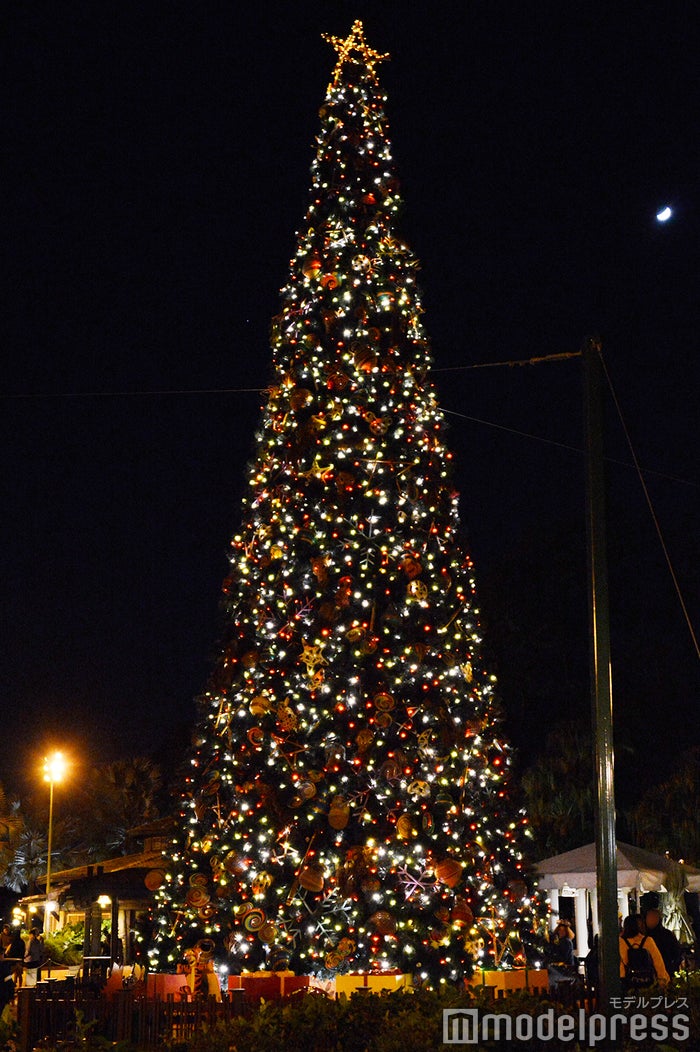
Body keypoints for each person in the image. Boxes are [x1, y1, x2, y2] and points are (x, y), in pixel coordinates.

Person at [619, 914, 669, 988]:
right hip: (646, 980)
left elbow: (620, 963)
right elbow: (658, 962)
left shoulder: (620, 942)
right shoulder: (648, 941)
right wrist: (663, 979)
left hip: (627, 980)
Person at [548, 919, 577, 991]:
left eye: (563, 930)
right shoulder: (560, 941)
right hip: (563, 966)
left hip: (565, 968)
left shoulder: (566, 942)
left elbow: (563, 957)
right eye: (560, 930)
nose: (561, 932)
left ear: (566, 932)